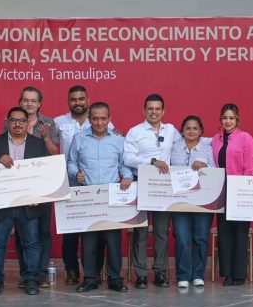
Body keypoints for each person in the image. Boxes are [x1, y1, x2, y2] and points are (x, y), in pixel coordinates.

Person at [0, 106, 48, 296]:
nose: (17, 124)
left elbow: (44, 174)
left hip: (29, 204)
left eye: (22, 120)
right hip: (3, 204)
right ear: (7, 122)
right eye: (13, 120)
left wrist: (39, 197)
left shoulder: (38, 144)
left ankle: (31, 281)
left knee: (32, 243)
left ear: (28, 123)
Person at [67, 102, 131, 293]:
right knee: (89, 241)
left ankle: (115, 279)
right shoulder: (79, 139)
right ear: (89, 119)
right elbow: (71, 162)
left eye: (103, 118)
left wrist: (127, 176)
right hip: (88, 196)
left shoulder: (119, 140)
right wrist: (75, 173)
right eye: (95, 118)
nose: (99, 122)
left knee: (113, 241)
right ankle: (90, 278)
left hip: (111, 196)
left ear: (109, 119)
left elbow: (123, 164)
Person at [55, 85, 115, 285]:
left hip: (97, 189)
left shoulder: (109, 126)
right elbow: (51, 149)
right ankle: (71, 270)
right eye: (73, 99)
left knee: (96, 234)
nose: (78, 102)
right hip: (69, 185)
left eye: (81, 98)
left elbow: (115, 152)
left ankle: (95, 272)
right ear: (68, 101)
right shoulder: (58, 123)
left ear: (87, 100)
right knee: (71, 233)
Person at [4, 86, 60, 289]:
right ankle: (26, 272)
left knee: (43, 231)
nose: (29, 104)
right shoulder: (10, 122)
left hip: (42, 185)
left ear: (39, 104)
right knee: (21, 231)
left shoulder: (49, 124)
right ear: (20, 102)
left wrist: (44, 139)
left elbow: (55, 155)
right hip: (17, 187)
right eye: (26, 100)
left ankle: (41, 273)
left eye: (33, 101)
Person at [123, 94, 180, 289]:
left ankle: (160, 273)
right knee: (140, 232)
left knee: (162, 232)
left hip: (164, 188)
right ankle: (140, 274)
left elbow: (187, 144)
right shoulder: (135, 132)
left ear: (163, 111)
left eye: (158, 109)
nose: (154, 112)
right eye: (150, 109)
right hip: (141, 184)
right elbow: (128, 159)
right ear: (144, 110)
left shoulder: (172, 130)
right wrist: (152, 162)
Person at [212, 103, 253, 286]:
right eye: (225, 118)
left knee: (240, 233)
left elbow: (250, 167)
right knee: (225, 233)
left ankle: (239, 274)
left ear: (237, 119)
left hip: (240, 191)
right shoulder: (215, 140)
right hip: (221, 192)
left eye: (231, 118)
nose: (228, 121)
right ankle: (227, 274)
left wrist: (244, 190)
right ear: (220, 120)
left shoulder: (246, 138)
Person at [170, 115, 216, 288]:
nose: (191, 131)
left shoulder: (207, 148)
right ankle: (183, 275)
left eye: (195, 128)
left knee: (200, 238)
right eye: (188, 128)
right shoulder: (173, 147)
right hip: (178, 201)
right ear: (182, 130)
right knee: (182, 237)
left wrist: (205, 167)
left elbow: (215, 170)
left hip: (203, 201)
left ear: (201, 131)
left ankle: (198, 274)